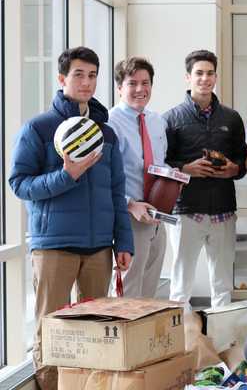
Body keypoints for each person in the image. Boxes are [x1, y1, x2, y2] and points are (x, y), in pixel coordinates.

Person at [9, 46, 133, 390]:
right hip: (55, 248)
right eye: (79, 74)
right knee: (51, 330)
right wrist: (67, 174)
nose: (87, 82)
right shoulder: (39, 128)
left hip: (98, 249)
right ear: (62, 78)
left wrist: (123, 241)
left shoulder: (105, 133)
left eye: (93, 75)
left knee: (97, 330)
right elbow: (19, 184)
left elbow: (115, 192)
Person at [164, 49, 247, 309]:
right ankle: (182, 345)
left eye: (210, 73)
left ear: (215, 77)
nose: (205, 79)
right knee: (180, 286)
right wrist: (185, 169)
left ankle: (221, 342)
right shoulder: (171, 118)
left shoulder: (231, 118)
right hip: (185, 211)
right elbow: (161, 164)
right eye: (199, 73)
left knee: (222, 285)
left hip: (223, 209)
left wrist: (236, 169)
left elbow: (243, 160)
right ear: (188, 78)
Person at [108, 57, 167, 298]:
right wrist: (129, 204)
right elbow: (103, 178)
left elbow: (159, 165)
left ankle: (145, 337)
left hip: (157, 218)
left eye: (146, 83)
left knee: (150, 293)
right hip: (128, 218)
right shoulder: (109, 123)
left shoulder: (157, 121)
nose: (140, 89)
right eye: (132, 83)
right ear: (120, 87)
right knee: (128, 294)